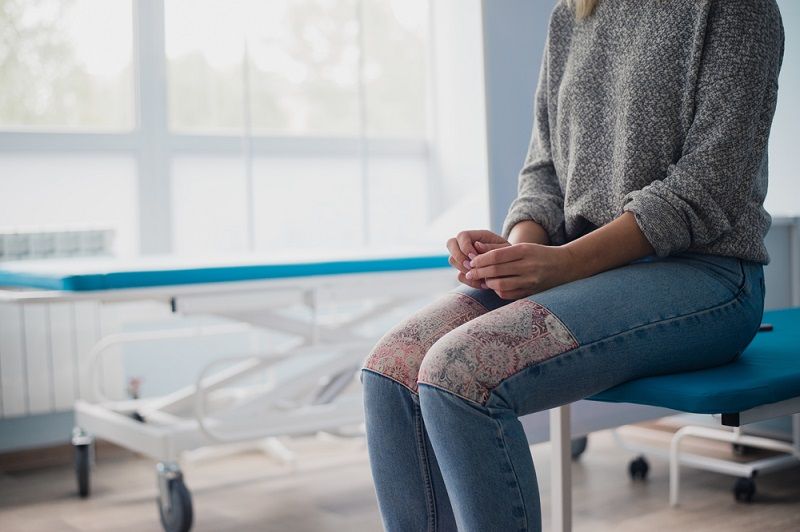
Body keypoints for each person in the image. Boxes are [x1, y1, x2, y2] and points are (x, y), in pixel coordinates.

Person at [360, 0, 784, 530]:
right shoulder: (574, 13)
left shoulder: (735, 9)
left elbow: (707, 186)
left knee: (458, 374)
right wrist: (517, 253)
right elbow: (544, 172)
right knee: (391, 368)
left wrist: (563, 264)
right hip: (582, 270)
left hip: (707, 277)